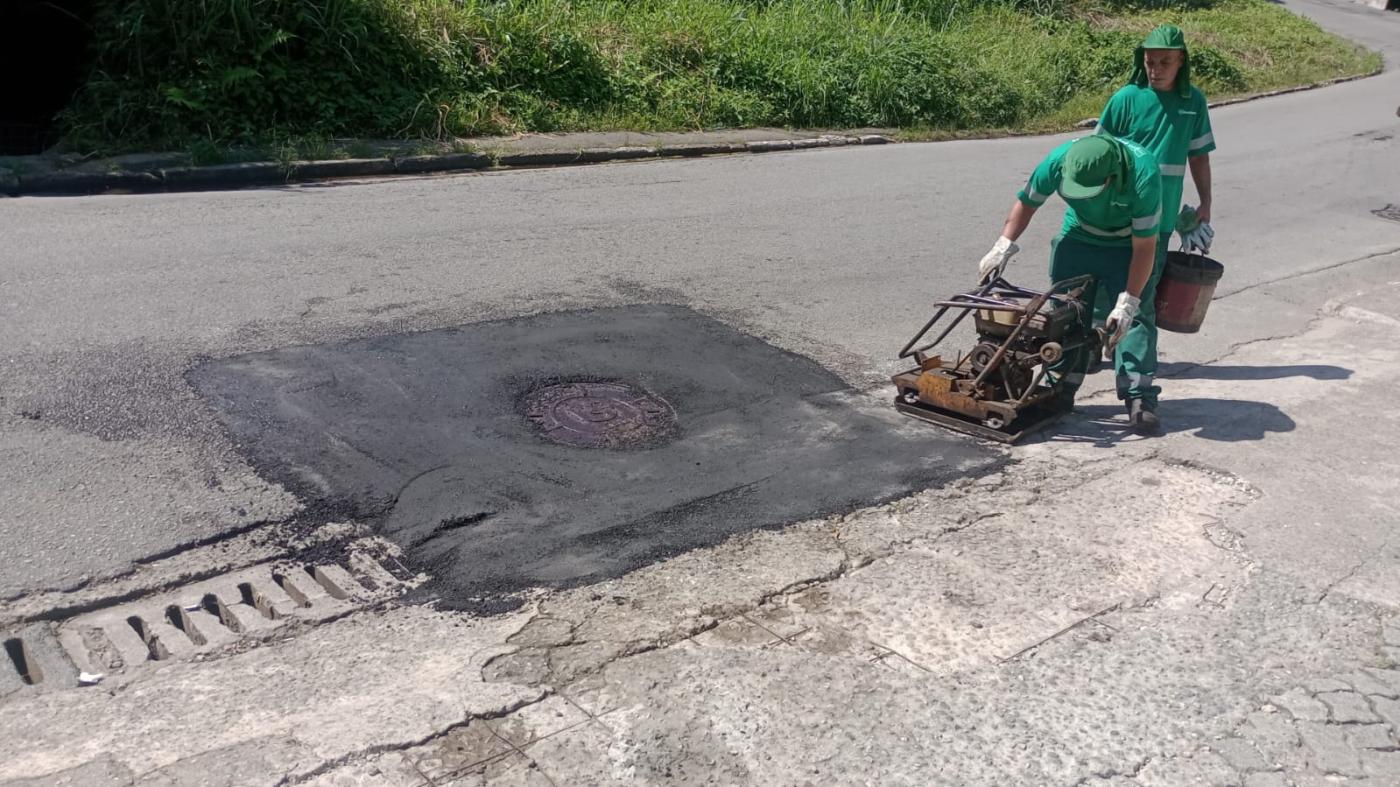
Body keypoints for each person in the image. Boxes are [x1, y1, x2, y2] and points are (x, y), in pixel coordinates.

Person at [978, 134, 1163, 433]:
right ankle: (1059, 389)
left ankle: (1138, 396)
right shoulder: (1059, 161)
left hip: (1126, 244)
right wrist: (1003, 245)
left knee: (1135, 319)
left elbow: (1144, 248)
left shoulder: (1144, 175)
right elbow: (1026, 203)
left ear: (1113, 176)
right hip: (1078, 236)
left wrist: (1128, 301)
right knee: (1065, 313)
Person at [1094, 24, 1218, 429]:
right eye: (1150, 61)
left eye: (1165, 61)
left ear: (1181, 60)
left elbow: (1198, 157)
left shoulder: (1192, 103)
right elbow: (1097, 157)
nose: (1156, 68)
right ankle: (1062, 382)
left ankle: (1138, 394)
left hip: (1159, 225)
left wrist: (1203, 205)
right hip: (1112, 220)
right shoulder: (1126, 99)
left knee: (1140, 306)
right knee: (1091, 300)